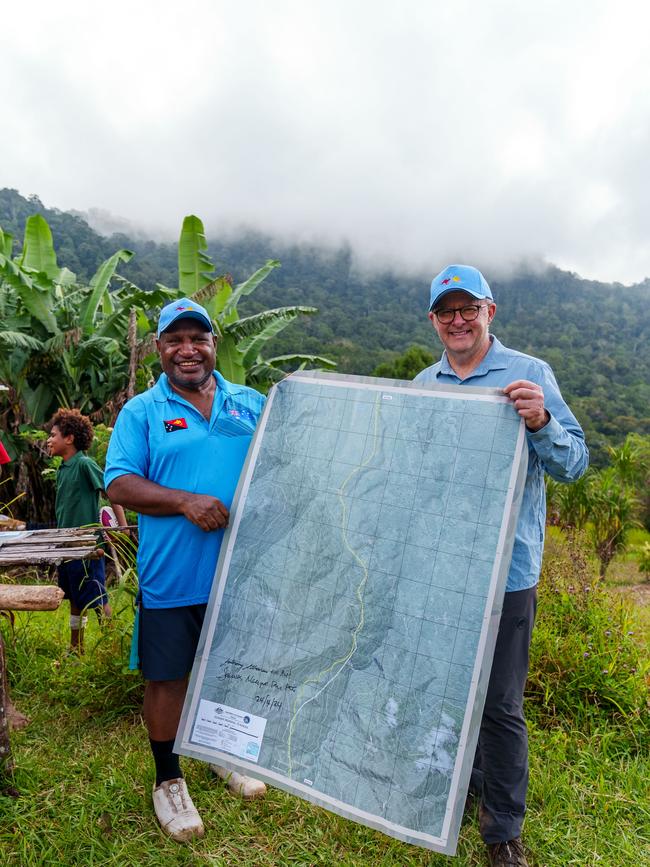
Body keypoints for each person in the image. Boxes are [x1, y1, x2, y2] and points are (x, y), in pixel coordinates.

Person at [414, 265, 588, 867]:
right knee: (447, 686)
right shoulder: (424, 383)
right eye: (446, 311)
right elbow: (416, 477)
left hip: (507, 572)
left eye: (469, 309)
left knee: (500, 704)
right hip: (443, 566)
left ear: (491, 310)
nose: (458, 321)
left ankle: (502, 833)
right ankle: (456, 789)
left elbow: (574, 464)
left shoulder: (530, 374)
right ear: (434, 319)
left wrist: (540, 422)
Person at [105, 298, 267, 843]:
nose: (187, 349)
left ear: (214, 345)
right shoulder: (142, 412)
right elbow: (120, 483)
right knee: (168, 677)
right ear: (158, 349)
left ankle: (221, 753)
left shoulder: (251, 403)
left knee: (230, 666)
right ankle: (168, 779)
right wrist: (184, 502)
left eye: (197, 337)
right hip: (173, 572)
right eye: (174, 340)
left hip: (240, 571)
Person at [46, 409, 127, 652]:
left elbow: (113, 491)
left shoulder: (84, 464)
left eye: (53, 435)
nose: (49, 440)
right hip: (67, 545)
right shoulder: (63, 468)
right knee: (75, 599)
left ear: (69, 438)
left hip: (87, 546)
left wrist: (121, 527)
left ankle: (112, 647)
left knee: (97, 598)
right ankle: (76, 648)